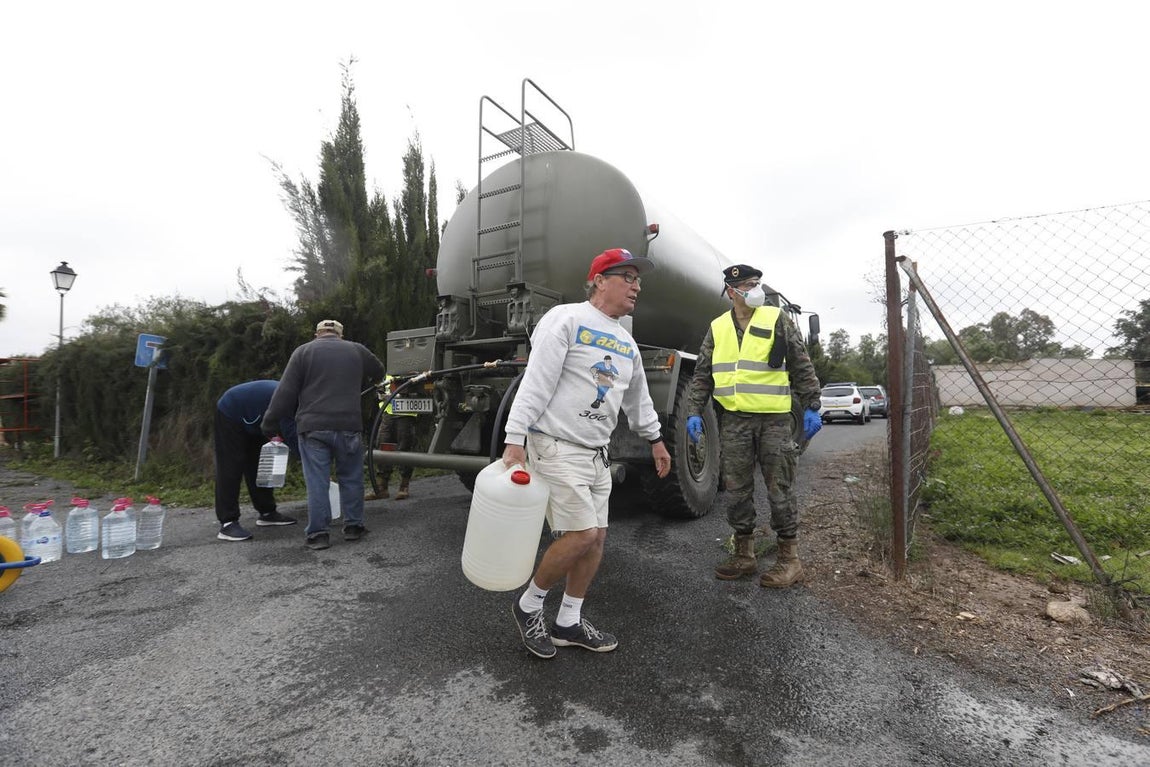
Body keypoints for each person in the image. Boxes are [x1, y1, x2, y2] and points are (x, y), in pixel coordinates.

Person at [502, 247, 672, 659]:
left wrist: (655, 439)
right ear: (599, 280)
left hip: (597, 453)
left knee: (597, 541)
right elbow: (536, 382)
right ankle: (528, 606)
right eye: (627, 277)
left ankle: (568, 622)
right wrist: (514, 437)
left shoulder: (626, 342)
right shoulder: (566, 319)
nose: (636, 286)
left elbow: (638, 399)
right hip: (556, 445)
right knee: (582, 535)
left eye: (638, 279)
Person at [685, 264, 823, 588]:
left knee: (779, 488)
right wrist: (693, 411)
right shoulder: (718, 327)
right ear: (732, 292)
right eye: (748, 285)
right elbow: (703, 374)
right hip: (734, 420)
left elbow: (801, 363)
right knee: (736, 489)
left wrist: (812, 405)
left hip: (774, 419)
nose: (755, 289)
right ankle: (744, 554)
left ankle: (789, 560)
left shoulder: (776, 318)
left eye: (756, 283)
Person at [261, 319, 385, 550]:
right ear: (340, 334)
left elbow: (285, 392)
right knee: (351, 477)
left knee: (317, 481)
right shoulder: (356, 350)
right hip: (349, 424)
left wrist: (269, 421)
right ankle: (354, 527)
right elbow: (380, 372)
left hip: (313, 428)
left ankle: (318, 534)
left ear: (316, 334)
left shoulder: (303, 352)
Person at [213, 380, 300, 542]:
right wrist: (315, 463)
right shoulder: (289, 402)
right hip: (232, 410)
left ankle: (267, 512)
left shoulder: (304, 401)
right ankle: (227, 522)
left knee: (261, 463)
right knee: (230, 466)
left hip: (258, 418)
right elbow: (293, 438)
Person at [371, 374, 417, 500]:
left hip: (405, 415)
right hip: (387, 415)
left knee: (404, 449)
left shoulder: (410, 372)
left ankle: (404, 486)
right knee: (382, 447)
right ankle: (382, 487)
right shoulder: (386, 374)